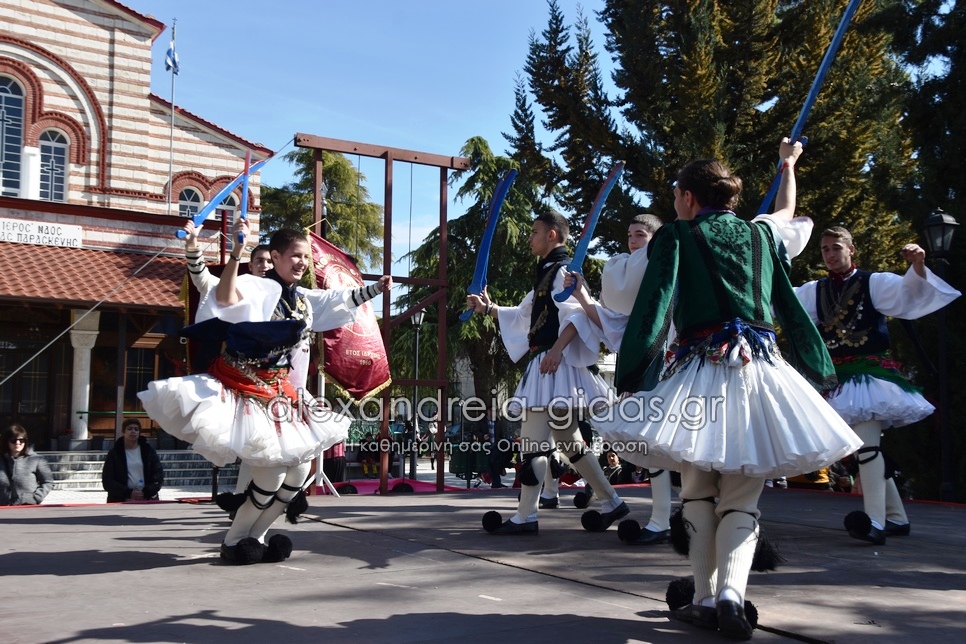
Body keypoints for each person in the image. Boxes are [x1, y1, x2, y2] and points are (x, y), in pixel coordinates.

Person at [596, 139, 862, 639]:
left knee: (698, 491)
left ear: (689, 197)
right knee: (742, 498)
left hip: (702, 368)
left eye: (676, 195)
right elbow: (787, 254)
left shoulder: (677, 235)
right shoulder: (763, 236)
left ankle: (703, 597)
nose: (675, 203)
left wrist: (632, 373)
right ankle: (733, 600)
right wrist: (788, 165)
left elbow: (653, 306)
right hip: (763, 371)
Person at [140, 222, 392, 564]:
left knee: (299, 473)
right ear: (276, 256)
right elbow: (222, 295)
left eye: (306, 257)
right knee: (271, 473)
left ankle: (256, 536)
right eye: (295, 256)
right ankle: (233, 540)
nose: (302, 263)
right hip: (246, 387)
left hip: (280, 391)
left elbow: (337, 299)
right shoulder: (255, 287)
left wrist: (375, 289)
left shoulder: (302, 299)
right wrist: (234, 252)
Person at [795, 226, 960, 545]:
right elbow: (782, 302)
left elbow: (909, 293)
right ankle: (896, 517)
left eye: (836, 247)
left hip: (869, 378)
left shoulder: (874, 282)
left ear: (851, 249)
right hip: (836, 381)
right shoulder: (814, 290)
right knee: (862, 449)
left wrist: (917, 265)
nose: (830, 254)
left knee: (867, 446)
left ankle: (874, 522)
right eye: (825, 249)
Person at [467, 210, 627, 535]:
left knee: (532, 443)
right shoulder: (548, 273)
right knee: (569, 442)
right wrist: (488, 309)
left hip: (553, 366)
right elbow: (525, 314)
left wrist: (556, 350)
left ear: (551, 235)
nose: (530, 238)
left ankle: (526, 515)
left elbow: (577, 314)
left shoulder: (562, 271)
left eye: (534, 232)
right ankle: (612, 501)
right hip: (551, 365)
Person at [563, 213, 677, 545]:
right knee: (652, 445)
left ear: (656, 240)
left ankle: (702, 515)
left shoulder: (672, 277)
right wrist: (582, 295)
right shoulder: (635, 296)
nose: (632, 241)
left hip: (677, 368)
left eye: (640, 235)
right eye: (629, 235)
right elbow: (613, 325)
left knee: (678, 446)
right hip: (647, 371)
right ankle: (662, 519)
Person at [102, 419, 164, 503]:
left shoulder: (148, 451)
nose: (133, 431)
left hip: (147, 499)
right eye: (129, 429)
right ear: (123, 432)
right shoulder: (115, 453)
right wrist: (128, 493)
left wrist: (146, 492)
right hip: (120, 500)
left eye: (136, 429)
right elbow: (107, 480)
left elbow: (158, 475)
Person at [0, 424, 54, 506]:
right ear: (6, 441)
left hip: (27, 506)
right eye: (13, 440)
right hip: (3, 507)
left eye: (21, 440)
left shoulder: (37, 459)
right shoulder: (1, 460)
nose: (17, 443)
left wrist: (36, 498)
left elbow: (48, 482)